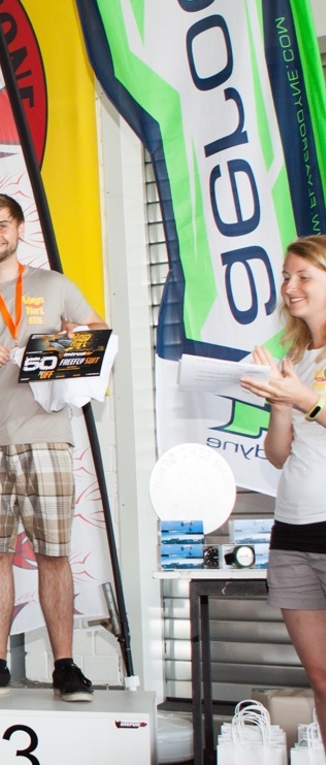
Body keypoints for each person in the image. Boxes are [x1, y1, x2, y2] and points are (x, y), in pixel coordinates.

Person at [0, 194, 107, 702]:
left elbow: (100, 337)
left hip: (47, 435)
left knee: (54, 553)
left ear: (18, 229)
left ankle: (65, 667)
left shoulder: (54, 285)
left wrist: (75, 339)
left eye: (1, 225)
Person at [240, 235, 326, 727]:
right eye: (286, 276)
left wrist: (303, 399)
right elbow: (277, 456)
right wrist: (279, 403)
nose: (290, 287)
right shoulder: (298, 354)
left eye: (304, 276)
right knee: (320, 679)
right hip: (291, 531)